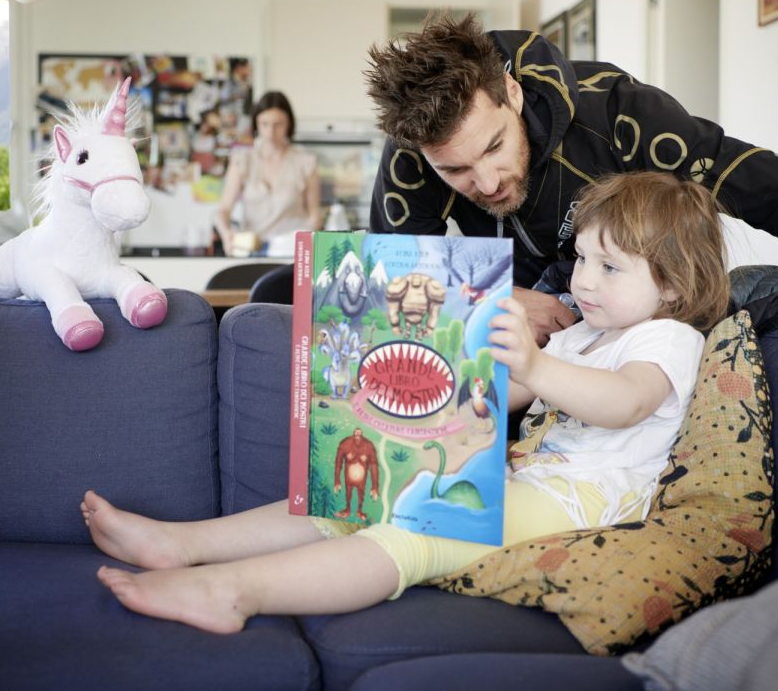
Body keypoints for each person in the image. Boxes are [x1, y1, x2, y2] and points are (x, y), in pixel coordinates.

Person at [79, 171, 728, 634]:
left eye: (609, 267)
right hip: (527, 477)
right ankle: (183, 542)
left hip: (584, 503)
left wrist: (533, 362)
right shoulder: (589, 331)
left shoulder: (666, 338)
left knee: (421, 525)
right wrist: (468, 362)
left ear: (671, 284)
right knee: (364, 491)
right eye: (581, 256)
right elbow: (517, 396)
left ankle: (233, 590)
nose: (582, 278)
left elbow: (623, 401)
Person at [365, 13, 778, 345]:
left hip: (646, 306)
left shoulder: (618, 113)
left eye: (494, 147)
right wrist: (493, 300)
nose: (485, 182)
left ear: (511, 93)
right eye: (455, 169)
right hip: (537, 322)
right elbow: (380, 290)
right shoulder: (410, 159)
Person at [213, 91, 321, 254]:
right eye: (264, 124)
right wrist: (226, 233)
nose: (271, 132)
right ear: (256, 124)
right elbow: (223, 210)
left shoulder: (305, 162)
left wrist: (308, 248)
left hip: (292, 252)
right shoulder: (242, 161)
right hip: (254, 250)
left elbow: (315, 216)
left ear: (289, 124)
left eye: (278, 124)